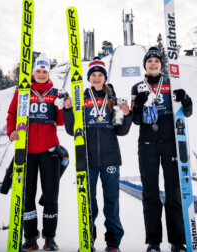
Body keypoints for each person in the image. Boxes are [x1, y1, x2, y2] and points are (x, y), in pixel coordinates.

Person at [63, 57, 132, 252]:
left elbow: (122, 131)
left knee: (111, 202)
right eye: (93, 74)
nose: (96, 77)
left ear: (105, 77)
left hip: (111, 158)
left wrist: (127, 116)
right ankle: (88, 239)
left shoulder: (113, 100)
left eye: (100, 74)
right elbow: (71, 130)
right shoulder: (81, 100)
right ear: (88, 77)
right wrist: (68, 110)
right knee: (88, 201)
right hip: (88, 158)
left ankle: (113, 242)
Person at [131, 47, 192, 252]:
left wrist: (185, 99)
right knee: (150, 192)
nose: (153, 64)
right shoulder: (137, 87)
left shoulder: (172, 83)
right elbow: (137, 120)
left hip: (170, 143)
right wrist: (138, 106)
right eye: (150, 61)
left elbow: (188, 112)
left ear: (161, 64)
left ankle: (177, 241)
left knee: (173, 192)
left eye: (157, 61)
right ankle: (153, 242)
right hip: (147, 144)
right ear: (145, 65)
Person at [7, 53, 68, 251]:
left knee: (51, 196)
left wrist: (63, 107)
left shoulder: (55, 92)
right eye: (38, 71)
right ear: (33, 72)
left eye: (44, 71)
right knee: (28, 196)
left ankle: (49, 238)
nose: (41, 74)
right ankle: (30, 237)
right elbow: (12, 115)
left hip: (49, 150)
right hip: (27, 151)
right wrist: (12, 132)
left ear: (48, 73)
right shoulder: (23, 92)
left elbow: (60, 121)